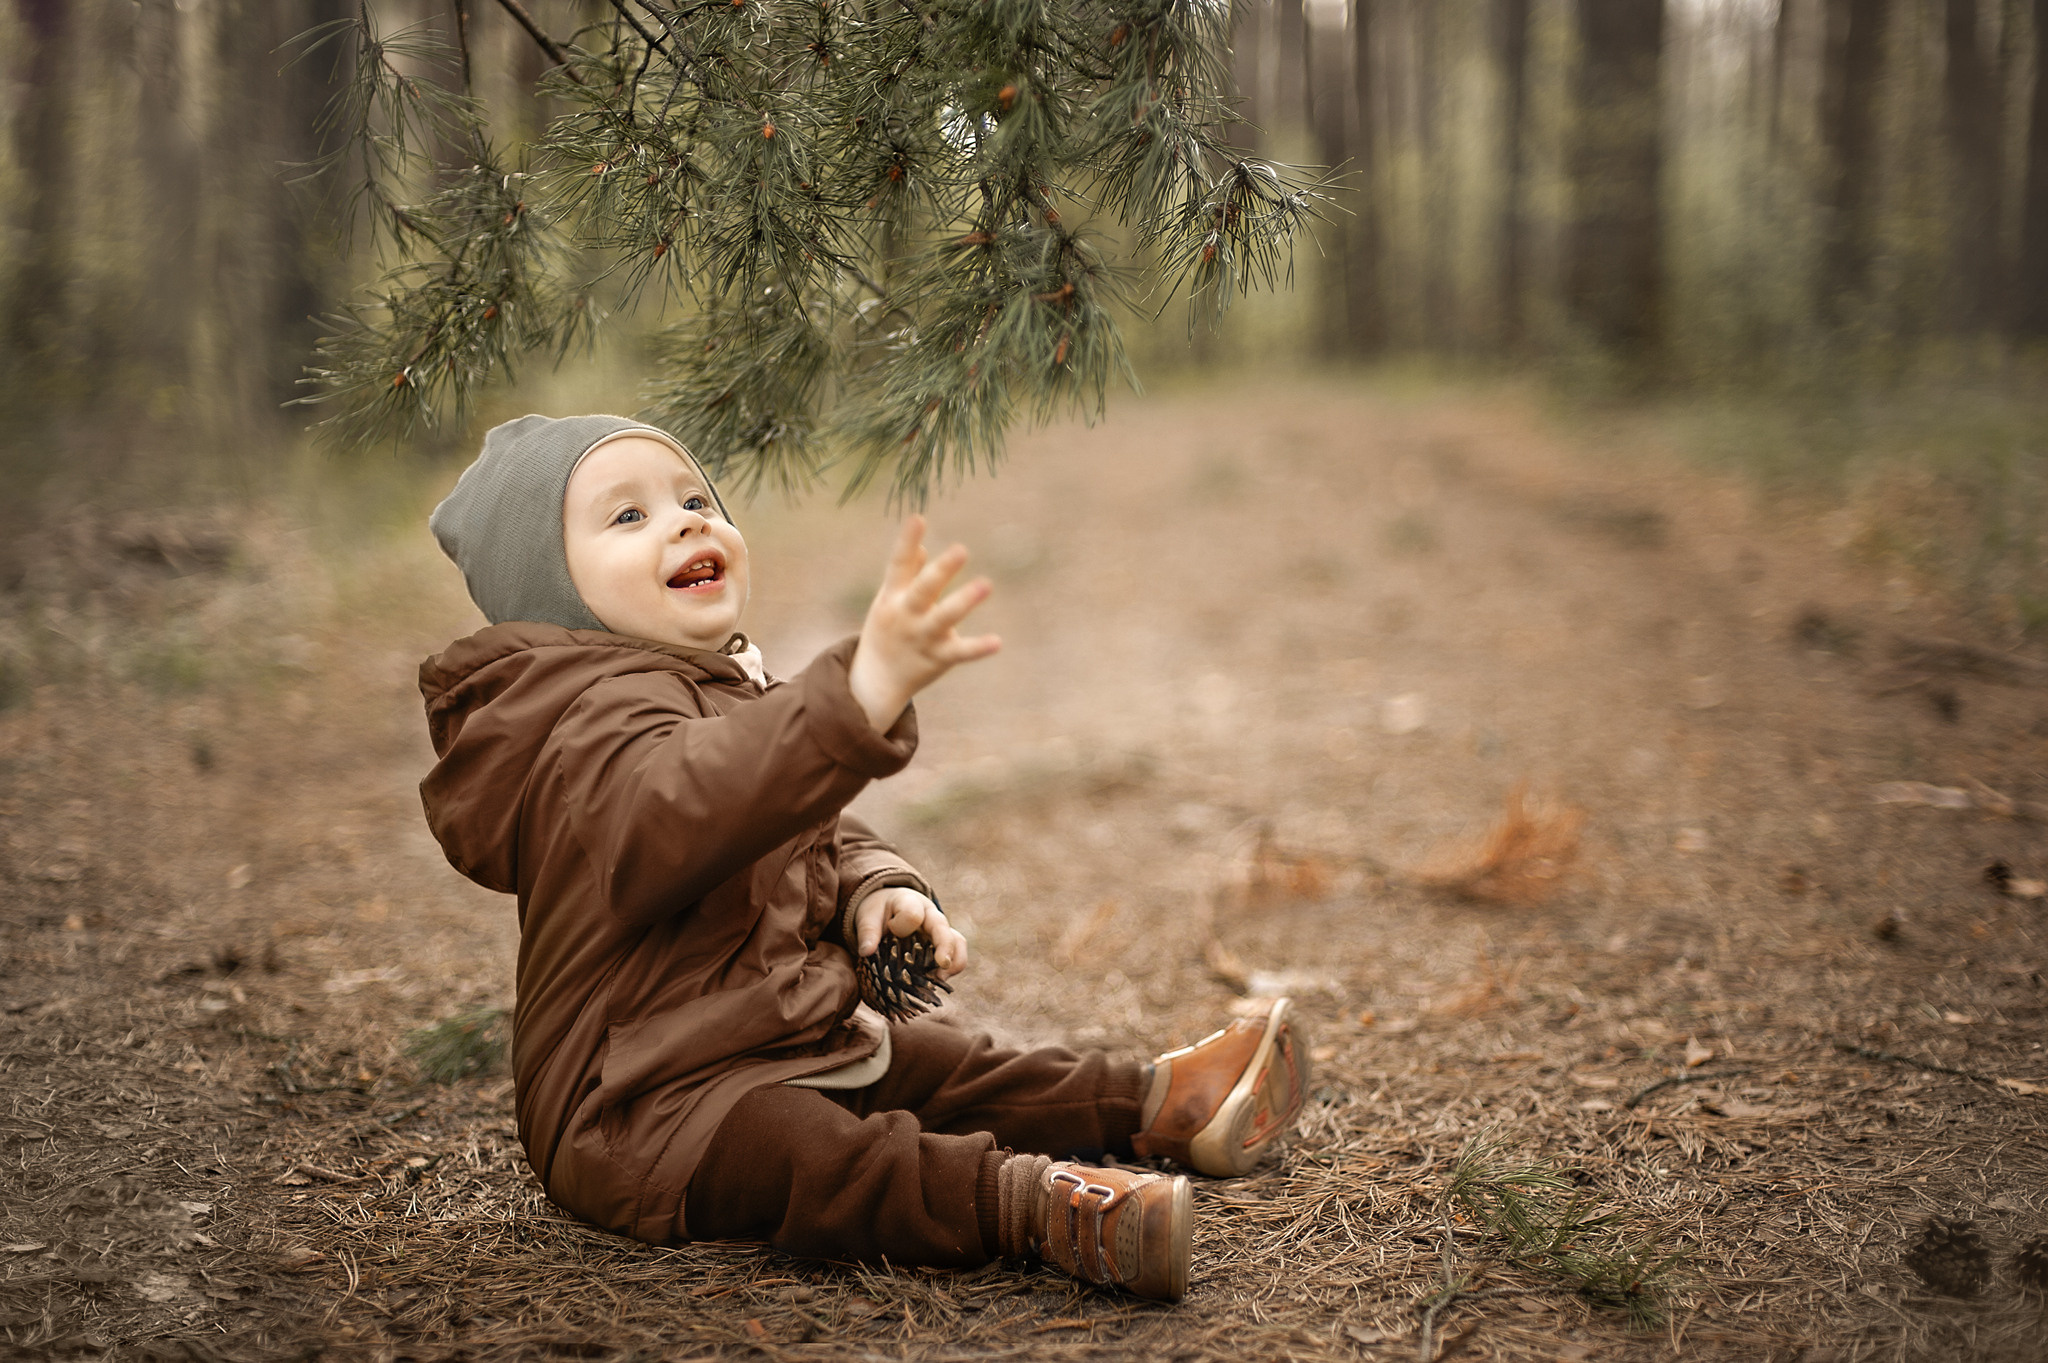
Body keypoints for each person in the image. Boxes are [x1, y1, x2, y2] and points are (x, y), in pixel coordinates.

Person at [417, 414, 1310, 1301]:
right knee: (830, 1160)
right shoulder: (588, 726)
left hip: (775, 1039)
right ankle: (1037, 1210)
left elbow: (790, 820)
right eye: (628, 517)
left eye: (695, 498)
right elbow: (684, 807)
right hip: (644, 1110)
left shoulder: (707, 690)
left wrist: (872, 888)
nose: (687, 520)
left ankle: (1161, 1101)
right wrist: (853, 693)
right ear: (549, 588)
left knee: (948, 1065)